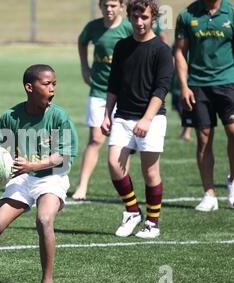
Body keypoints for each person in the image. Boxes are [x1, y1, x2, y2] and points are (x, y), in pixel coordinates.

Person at [0, 64, 78, 283]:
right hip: (22, 177)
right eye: (46, 84)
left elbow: (63, 156)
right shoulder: (11, 117)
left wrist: (33, 165)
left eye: (54, 84)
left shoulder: (59, 117)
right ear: (29, 87)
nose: (52, 89)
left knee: (44, 219)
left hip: (51, 178)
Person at [72, 0, 168, 201]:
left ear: (121, 8)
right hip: (104, 93)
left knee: (144, 166)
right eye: (105, 5)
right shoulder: (101, 32)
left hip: (138, 103)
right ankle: (85, 186)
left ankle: (145, 214)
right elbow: (83, 43)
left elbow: (160, 83)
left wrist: (148, 117)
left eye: (114, 5)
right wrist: (84, 67)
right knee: (98, 142)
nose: (139, 22)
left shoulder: (143, 38)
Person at [101, 0, 173, 238]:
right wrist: (106, 114)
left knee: (149, 171)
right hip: (122, 115)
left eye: (144, 17)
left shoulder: (162, 50)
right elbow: (113, 84)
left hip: (151, 118)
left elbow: (161, 89)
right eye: (135, 17)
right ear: (129, 17)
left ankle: (152, 222)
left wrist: (147, 119)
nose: (139, 22)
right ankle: (132, 211)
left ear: (153, 18)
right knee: (114, 163)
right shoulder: (122, 46)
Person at [174, 0, 234, 212]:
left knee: (233, 131)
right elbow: (180, 52)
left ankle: (233, 182)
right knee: (203, 137)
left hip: (229, 83)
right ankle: (209, 194)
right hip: (198, 86)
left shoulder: (231, 12)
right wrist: (184, 86)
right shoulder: (187, 15)